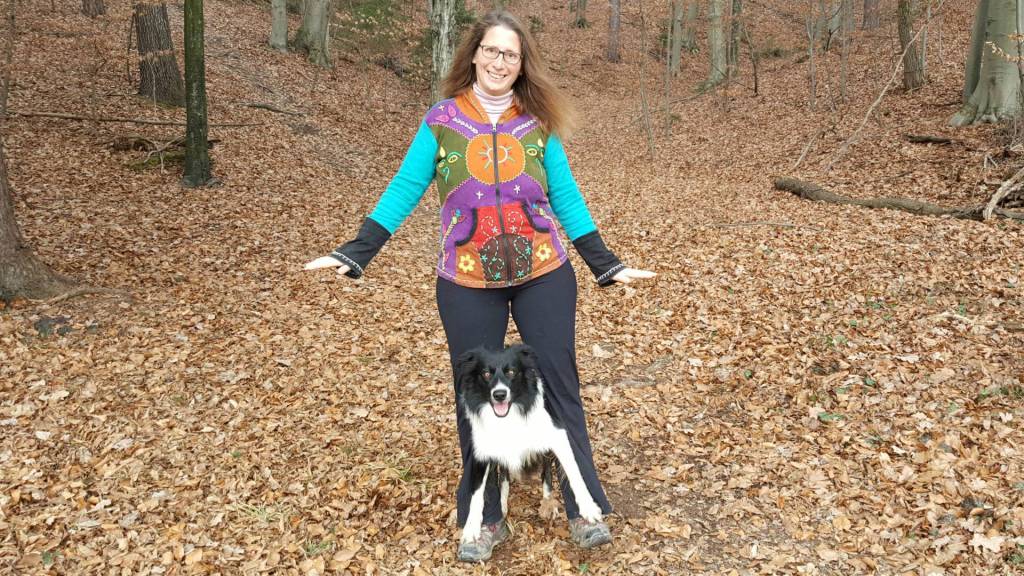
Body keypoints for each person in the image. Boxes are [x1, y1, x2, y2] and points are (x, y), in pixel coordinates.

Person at [305, 9, 655, 562]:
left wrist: (604, 263)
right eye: (491, 50)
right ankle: (487, 517)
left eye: (510, 54)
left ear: (521, 64)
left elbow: (564, 194)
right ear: (473, 54)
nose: (499, 61)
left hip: (544, 273)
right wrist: (358, 250)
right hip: (466, 279)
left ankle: (582, 507)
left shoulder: (536, 122)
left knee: (558, 385)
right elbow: (406, 185)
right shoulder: (442, 120)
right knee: (474, 396)